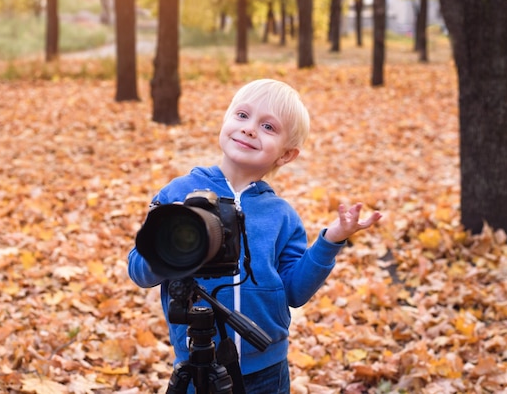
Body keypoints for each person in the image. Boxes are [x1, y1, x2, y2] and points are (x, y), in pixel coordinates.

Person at [127, 79, 382, 393]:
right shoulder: (178, 194)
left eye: (268, 127)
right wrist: (169, 243)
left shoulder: (281, 215)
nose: (249, 129)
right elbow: (138, 271)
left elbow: (295, 292)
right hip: (196, 361)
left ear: (286, 155)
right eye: (242, 116)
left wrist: (331, 240)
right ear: (225, 120)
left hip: (266, 369)